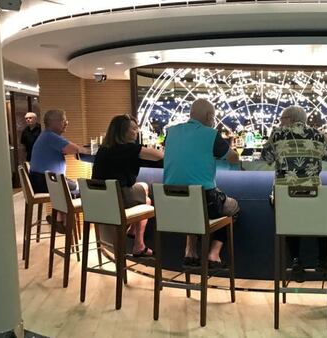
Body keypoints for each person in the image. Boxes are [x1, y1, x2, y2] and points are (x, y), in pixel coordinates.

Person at [261, 105, 327, 282]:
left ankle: (296, 260)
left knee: (288, 213)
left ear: (289, 119)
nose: (280, 123)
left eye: (282, 119)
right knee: (325, 214)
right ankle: (324, 260)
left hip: (284, 200)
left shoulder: (277, 134)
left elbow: (265, 158)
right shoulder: (318, 135)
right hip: (313, 199)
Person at [164, 99, 240, 268]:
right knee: (233, 207)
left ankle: (190, 251)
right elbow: (234, 158)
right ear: (208, 116)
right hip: (204, 201)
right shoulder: (210, 134)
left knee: (192, 208)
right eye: (213, 117)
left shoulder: (171, 132)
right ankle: (213, 255)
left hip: (169, 204)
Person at [92, 114, 164, 257]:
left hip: (97, 201)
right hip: (115, 199)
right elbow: (159, 156)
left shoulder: (104, 148)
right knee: (147, 202)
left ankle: (132, 230)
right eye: (133, 128)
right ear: (122, 131)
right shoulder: (128, 148)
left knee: (143, 186)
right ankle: (139, 245)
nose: (136, 131)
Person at [29, 109, 85, 193]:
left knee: (78, 185)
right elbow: (75, 149)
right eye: (63, 120)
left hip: (43, 180)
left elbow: (68, 148)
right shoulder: (50, 136)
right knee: (83, 189)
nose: (66, 123)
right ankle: (69, 205)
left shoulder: (47, 135)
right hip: (46, 182)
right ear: (53, 122)